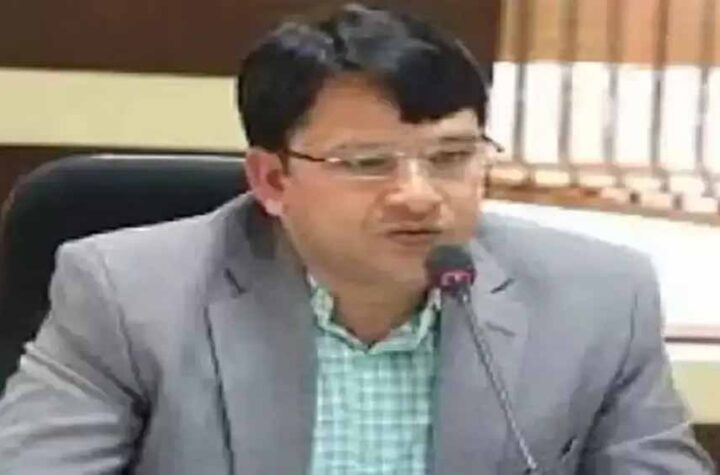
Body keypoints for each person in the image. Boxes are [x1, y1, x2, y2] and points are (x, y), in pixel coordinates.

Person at [0, 3, 714, 474]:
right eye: (368, 163)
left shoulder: (598, 299)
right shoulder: (129, 295)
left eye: (452, 156)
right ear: (272, 180)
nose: (418, 194)